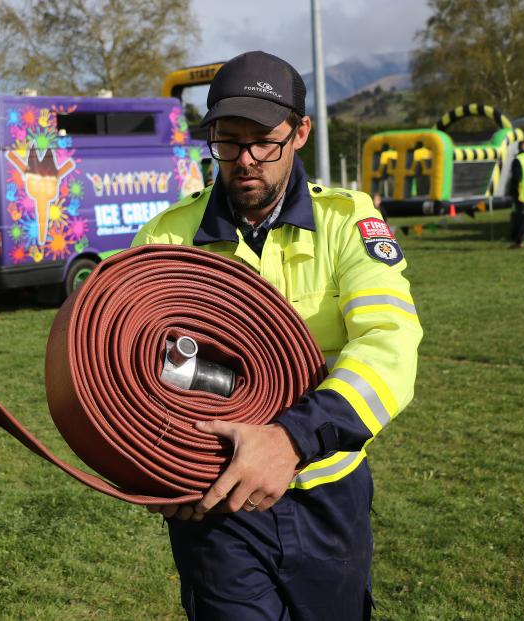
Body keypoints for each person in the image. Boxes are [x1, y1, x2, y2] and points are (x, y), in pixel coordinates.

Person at [132, 51, 423, 620]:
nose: (245, 160)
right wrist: (158, 467)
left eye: (264, 140)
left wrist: (290, 441)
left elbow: (388, 344)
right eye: (228, 141)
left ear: (301, 133)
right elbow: (130, 368)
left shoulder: (347, 222)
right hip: (215, 502)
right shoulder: (165, 238)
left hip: (326, 495)